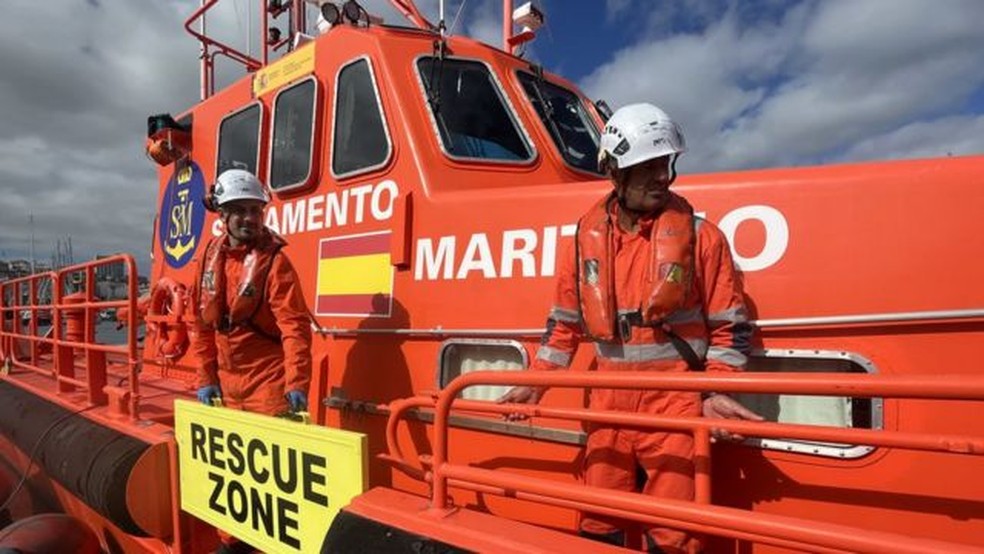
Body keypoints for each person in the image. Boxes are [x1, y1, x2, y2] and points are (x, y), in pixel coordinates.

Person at [497, 103, 763, 553]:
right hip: (607, 405)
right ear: (614, 172)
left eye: (667, 164)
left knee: (676, 532)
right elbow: (563, 325)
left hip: (675, 406)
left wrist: (717, 390)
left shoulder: (704, 239)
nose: (663, 176)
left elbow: (729, 330)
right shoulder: (584, 240)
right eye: (649, 167)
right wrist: (536, 383)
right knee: (598, 520)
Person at [191, 168, 313, 554]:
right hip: (227, 386)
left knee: (273, 482)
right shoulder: (208, 259)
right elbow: (200, 323)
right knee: (231, 475)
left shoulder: (275, 263)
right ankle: (230, 543)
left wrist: (296, 385)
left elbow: (294, 328)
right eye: (238, 210)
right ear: (222, 216)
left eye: (254, 210)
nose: (248, 218)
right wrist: (204, 376)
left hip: (268, 384)